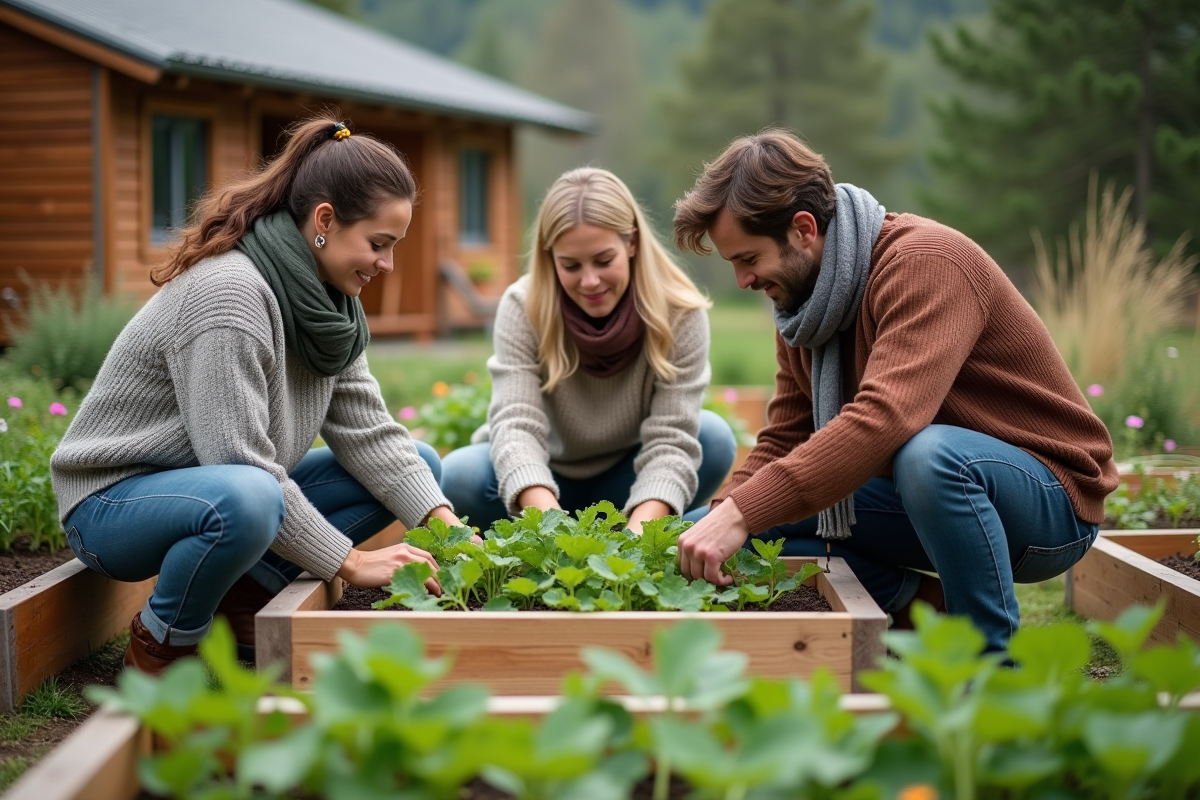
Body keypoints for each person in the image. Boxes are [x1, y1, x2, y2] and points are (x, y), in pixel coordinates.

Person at [671, 130, 1118, 652]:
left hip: (1047, 503)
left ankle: (987, 666)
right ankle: (917, 608)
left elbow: (886, 417)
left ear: (803, 229)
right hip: (931, 506)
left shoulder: (926, 263)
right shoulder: (802, 310)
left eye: (748, 258)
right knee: (748, 523)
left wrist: (740, 512)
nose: (742, 280)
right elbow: (783, 442)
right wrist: (722, 513)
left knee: (930, 455)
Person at [51, 117, 465, 674]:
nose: (386, 265)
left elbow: (370, 434)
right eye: (378, 244)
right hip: (113, 505)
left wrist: (450, 529)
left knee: (418, 465)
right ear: (324, 221)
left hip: (221, 491)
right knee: (249, 496)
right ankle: (162, 647)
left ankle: (243, 601)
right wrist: (351, 561)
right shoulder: (232, 295)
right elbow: (238, 463)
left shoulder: (329, 308)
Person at [440, 167, 735, 533]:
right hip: (538, 479)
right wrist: (554, 532)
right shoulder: (523, 305)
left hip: (628, 478)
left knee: (715, 439)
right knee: (459, 476)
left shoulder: (679, 313)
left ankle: (641, 529)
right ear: (550, 257)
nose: (590, 281)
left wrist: (634, 542)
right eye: (570, 265)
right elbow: (516, 426)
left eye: (603, 260)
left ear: (631, 242)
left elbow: (671, 441)